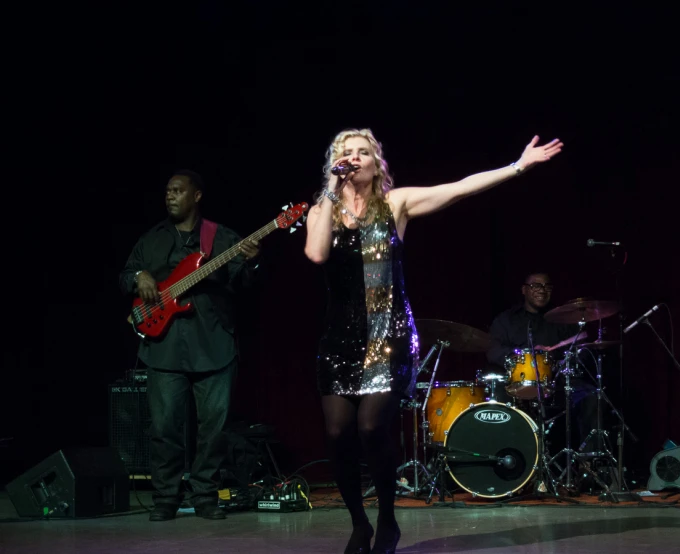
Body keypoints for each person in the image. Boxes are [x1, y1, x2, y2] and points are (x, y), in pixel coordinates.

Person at [304, 129, 563, 553]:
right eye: (345, 153)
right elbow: (316, 255)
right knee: (337, 434)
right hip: (340, 340)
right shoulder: (323, 210)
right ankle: (359, 524)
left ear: (376, 162)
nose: (354, 159)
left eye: (362, 152)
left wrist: (518, 167)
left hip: (388, 337)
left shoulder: (394, 203)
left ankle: (387, 519)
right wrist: (331, 189)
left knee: (371, 427)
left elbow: (458, 189)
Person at [119, 169, 261, 521]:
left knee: (213, 430)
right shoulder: (150, 239)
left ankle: (205, 497)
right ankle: (165, 498)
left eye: (178, 191)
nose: (170, 196)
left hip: (213, 345)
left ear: (196, 196)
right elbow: (125, 275)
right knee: (165, 428)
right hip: (164, 347)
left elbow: (244, 284)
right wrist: (140, 277)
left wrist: (252, 260)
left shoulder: (222, 237)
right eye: (167, 191)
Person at [486, 272, 599, 469]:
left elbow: (580, 348)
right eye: (536, 286)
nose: (542, 290)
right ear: (524, 290)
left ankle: (588, 464)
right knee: (495, 403)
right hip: (516, 386)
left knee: (592, 397)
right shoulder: (506, 321)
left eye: (547, 286)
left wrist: (562, 359)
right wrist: (517, 354)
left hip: (556, 383)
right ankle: (506, 464)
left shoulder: (562, 319)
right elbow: (492, 349)